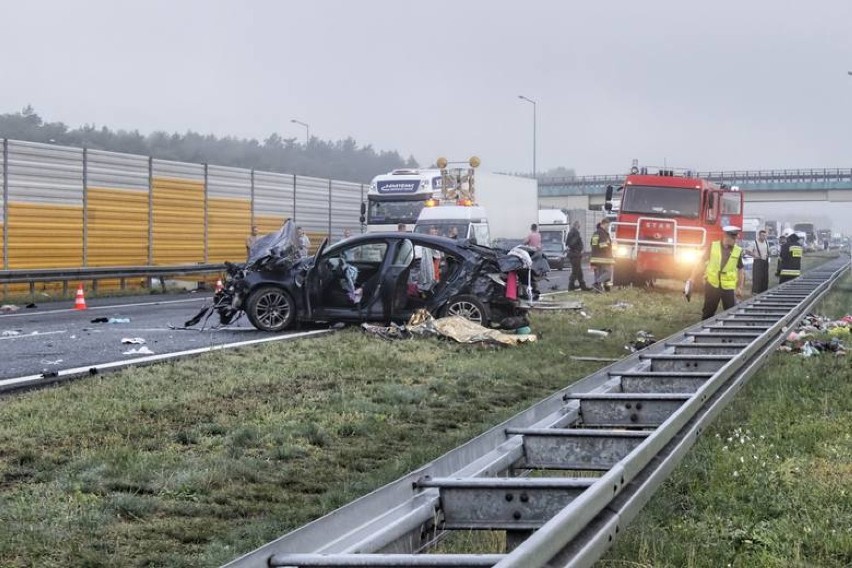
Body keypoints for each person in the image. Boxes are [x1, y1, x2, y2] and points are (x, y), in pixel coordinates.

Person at [688, 225, 745, 320]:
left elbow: (741, 270)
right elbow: (701, 263)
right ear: (726, 236)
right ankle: (704, 332)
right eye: (733, 238)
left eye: (736, 239)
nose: (735, 241)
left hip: (728, 286)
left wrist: (740, 287)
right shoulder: (713, 246)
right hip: (712, 284)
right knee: (708, 312)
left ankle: (728, 332)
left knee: (731, 313)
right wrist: (692, 278)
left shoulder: (737, 250)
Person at [589, 218, 614, 292]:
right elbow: (603, 245)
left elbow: (592, 244)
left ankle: (598, 290)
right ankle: (597, 284)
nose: (608, 227)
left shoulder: (595, 233)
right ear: (604, 224)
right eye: (608, 225)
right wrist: (609, 250)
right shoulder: (603, 233)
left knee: (598, 274)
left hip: (595, 258)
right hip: (603, 258)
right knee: (608, 273)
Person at [564, 220, 590, 291]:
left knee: (579, 271)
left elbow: (567, 243)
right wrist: (578, 248)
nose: (579, 226)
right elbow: (572, 243)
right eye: (579, 225)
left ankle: (582, 286)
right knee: (575, 271)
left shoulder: (571, 232)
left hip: (574, 254)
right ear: (576, 225)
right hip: (575, 254)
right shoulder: (575, 233)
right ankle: (571, 286)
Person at [748, 229, 770, 294]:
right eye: (762, 235)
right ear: (759, 235)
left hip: (765, 262)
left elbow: (767, 251)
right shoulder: (754, 243)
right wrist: (754, 255)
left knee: (765, 278)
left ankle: (764, 291)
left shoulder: (766, 242)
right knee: (757, 278)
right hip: (758, 262)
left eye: (765, 236)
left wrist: (768, 254)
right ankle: (755, 292)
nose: (764, 237)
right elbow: (748, 251)